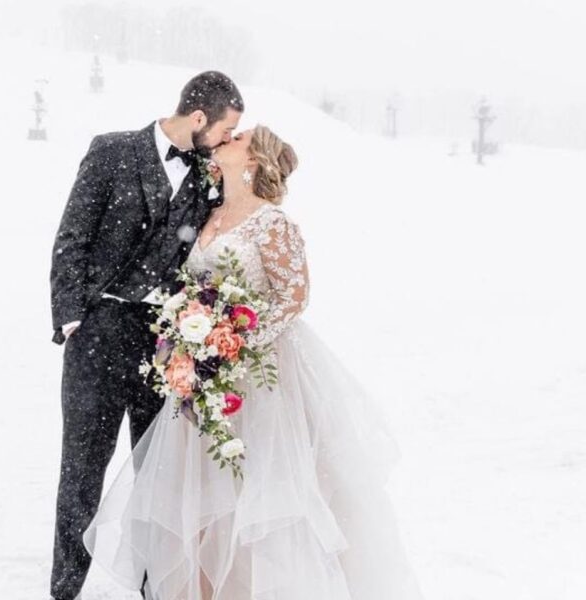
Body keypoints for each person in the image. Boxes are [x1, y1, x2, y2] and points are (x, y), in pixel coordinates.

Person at [83, 126, 426, 599]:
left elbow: (294, 295)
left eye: (239, 137)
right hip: (205, 377)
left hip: (262, 379)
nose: (225, 137)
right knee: (200, 496)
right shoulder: (209, 215)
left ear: (253, 161)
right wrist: (189, 342)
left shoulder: (272, 223)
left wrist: (235, 344)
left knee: (254, 493)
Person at [48, 71, 244, 600]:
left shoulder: (210, 175)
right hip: (98, 336)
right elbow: (72, 236)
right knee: (82, 471)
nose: (227, 140)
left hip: (166, 344)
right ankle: (65, 590)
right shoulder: (112, 152)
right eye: (226, 130)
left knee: (159, 476)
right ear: (198, 118)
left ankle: (156, 589)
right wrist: (71, 319)